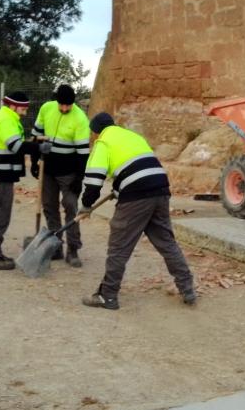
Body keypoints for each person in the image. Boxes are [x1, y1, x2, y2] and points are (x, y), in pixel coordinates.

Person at [79, 113, 196, 310]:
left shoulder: (103, 143)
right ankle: (187, 288)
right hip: (160, 188)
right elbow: (135, 166)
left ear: (95, 132)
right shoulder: (132, 137)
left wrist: (86, 205)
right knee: (166, 242)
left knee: (119, 246)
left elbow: (93, 180)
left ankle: (107, 296)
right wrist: (119, 189)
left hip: (137, 195)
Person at [31, 84, 91, 267]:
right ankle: (55, 246)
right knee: (49, 207)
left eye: (68, 106)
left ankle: (73, 249)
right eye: (62, 105)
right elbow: (36, 137)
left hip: (69, 172)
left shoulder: (80, 119)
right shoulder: (46, 108)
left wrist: (79, 179)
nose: (65, 108)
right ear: (56, 101)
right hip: (48, 169)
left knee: (71, 207)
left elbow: (83, 154)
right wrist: (34, 161)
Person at [0, 91, 38, 270]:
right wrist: (37, 148)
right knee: (0, 217)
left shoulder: (6, 117)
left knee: (0, 215)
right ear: (12, 105)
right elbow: (15, 146)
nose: (26, 110)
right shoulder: (6, 119)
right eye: (23, 107)